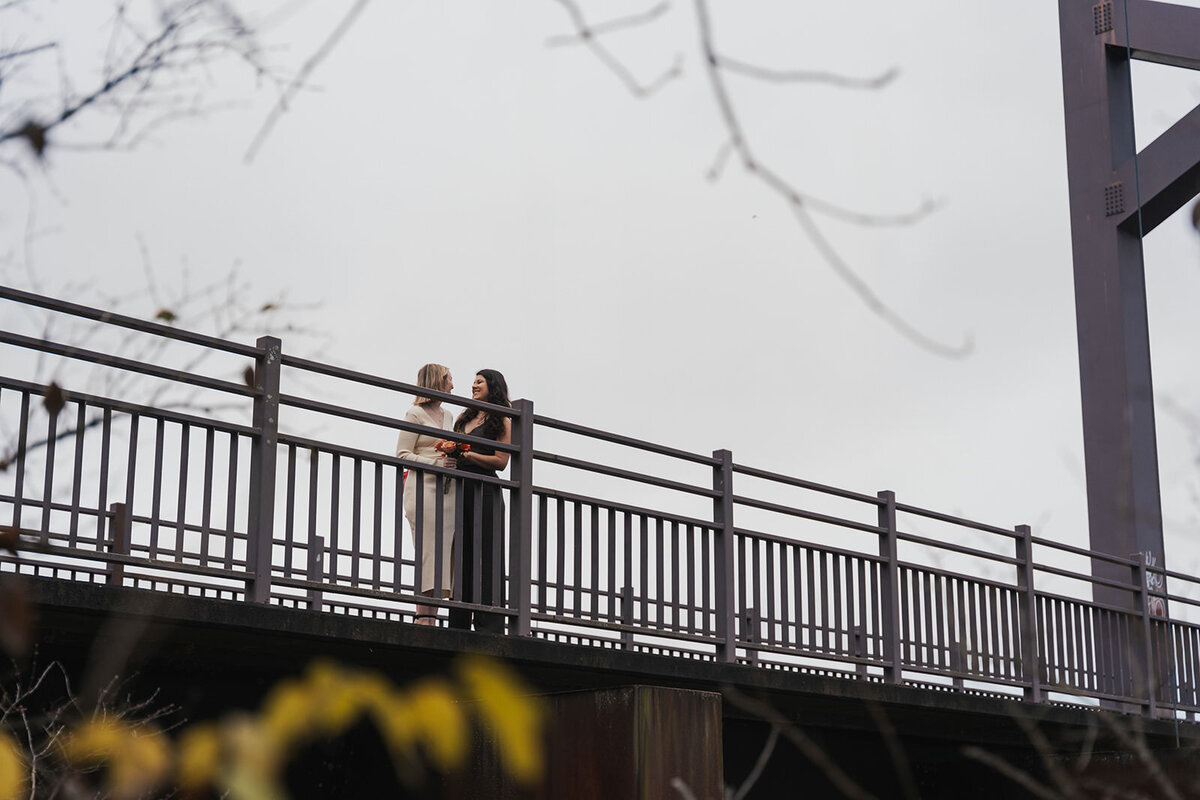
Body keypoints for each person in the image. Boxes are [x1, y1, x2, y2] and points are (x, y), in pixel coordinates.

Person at [439, 369, 511, 633]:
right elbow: (452, 447)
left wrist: (467, 456)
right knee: (461, 553)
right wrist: (451, 458)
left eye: (479, 381)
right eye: (473, 382)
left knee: (486, 553)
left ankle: (488, 624)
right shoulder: (463, 416)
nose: (473, 386)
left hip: (485, 490)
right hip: (460, 489)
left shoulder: (503, 419)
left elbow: (501, 462)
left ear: (493, 386)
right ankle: (459, 621)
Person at [395, 363, 457, 626]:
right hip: (423, 487)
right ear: (437, 381)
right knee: (427, 552)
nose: (453, 385)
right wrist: (437, 463)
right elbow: (402, 454)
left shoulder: (450, 416)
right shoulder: (414, 413)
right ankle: (422, 617)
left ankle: (433, 616)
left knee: (444, 554)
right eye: (449, 380)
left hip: (447, 490)